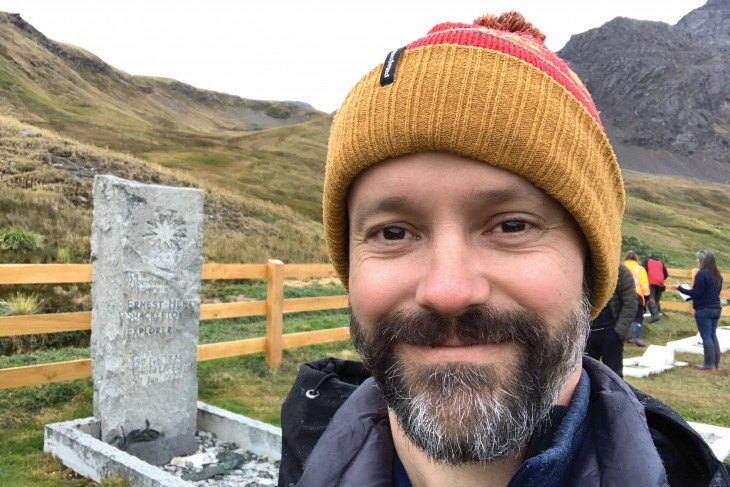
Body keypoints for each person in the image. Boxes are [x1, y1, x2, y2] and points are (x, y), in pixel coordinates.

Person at [279, 11, 730, 487]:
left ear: (590, 265)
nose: (448, 291)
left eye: (512, 225)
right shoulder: (306, 450)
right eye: (393, 233)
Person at [671, 250, 724, 372]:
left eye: (698, 259)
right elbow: (714, 293)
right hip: (716, 308)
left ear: (703, 261)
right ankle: (716, 364)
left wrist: (680, 288)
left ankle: (708, 364)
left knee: (706, 336)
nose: (697, 261)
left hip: (704, 309)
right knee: (712, 335)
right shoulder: (718, 276)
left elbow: (696, 293)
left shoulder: (702, 275)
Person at [585, 264, 637, 377]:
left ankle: (616, 395)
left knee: (614, 374)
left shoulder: (622, 272)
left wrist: (620, 331)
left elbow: (631, 303)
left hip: (612, 332)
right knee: (585, 373)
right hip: (588, 332)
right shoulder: (586, 266)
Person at [624, 251, 651, 347]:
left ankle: (623, 336)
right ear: (636, 259)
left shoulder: (621, 267)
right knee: (638, 317)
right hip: (636, 296)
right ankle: (635, 337)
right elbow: (645, 288)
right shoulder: (639, 269)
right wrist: (646, 299)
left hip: (622, 295)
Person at [643, 254, 669, 322]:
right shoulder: (661, 264)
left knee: (650, 298)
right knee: (656, 299)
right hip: (660, 282)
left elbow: (642, 270)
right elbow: (666, 274)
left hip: (651, 281)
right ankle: (657, 313)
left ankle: (655, 315)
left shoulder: (647, 261)